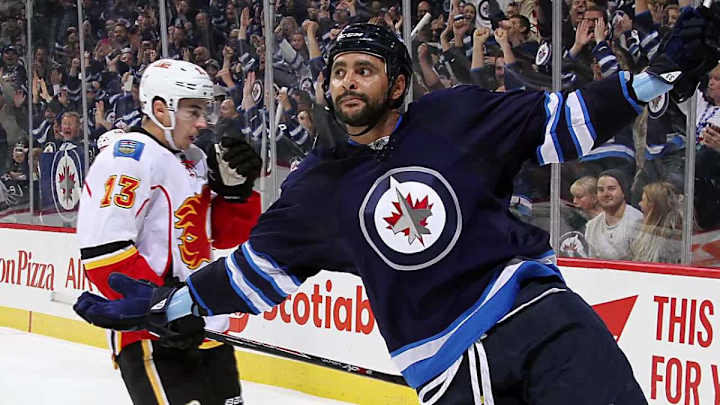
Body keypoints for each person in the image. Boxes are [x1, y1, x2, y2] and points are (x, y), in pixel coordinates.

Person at [75, 8, 720, 403]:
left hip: (537, 316)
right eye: (339, 72)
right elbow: (253, 274)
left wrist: (651, 79)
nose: (348, 82)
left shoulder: (455, 116)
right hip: (447, 371)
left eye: (365, 69)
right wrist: (171, 306)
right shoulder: (318, 186)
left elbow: (566, 119)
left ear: (399, 83)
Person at [75, 59, 262, 405]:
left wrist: (238, 194)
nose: (203, 122)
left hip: (206, 328)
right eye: (193, 111)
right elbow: (104, 252)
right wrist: (164, 306)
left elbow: (218, 237)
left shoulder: (195, 158)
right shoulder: (128, 158)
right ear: (161, 109)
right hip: (154, 332)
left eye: (204, 111)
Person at [584, 170, 643, 260]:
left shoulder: (638, 222)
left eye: (611, 189)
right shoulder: (592, 226)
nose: (606, 194)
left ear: (623, 192)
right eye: (601, 190)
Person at [630, 181, 682, 263]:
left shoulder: (671, 240)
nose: (639, 204)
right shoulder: (638, 227)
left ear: (654, 206)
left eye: (643, 200)